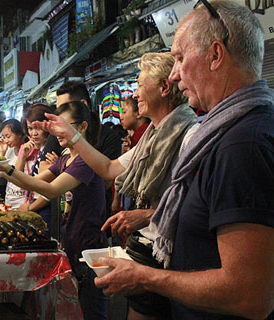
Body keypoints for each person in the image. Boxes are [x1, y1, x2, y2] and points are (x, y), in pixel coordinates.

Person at [95, 2, 274, 319]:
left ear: (215, 55)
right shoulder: (226, 133)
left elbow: (250, 295)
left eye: (179, 57)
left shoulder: (241, 146)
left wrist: (146, 277)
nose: (175, 74)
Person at [37, 52, 198, 320]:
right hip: (148, 250)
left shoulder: (190, 136)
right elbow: (109, 168)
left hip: (174, 257)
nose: (134, 94)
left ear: (164, 88)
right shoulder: (152, 137)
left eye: (139, 84)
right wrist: (72, 135)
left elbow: (196, 205)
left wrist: (148, 215)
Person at [0, 101, 109, 319]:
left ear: (82, 127)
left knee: (92, 312)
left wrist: (6, 169)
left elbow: (50, 189)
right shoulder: (66, 158)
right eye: (55, 126)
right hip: (72, 244)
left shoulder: (85, 160)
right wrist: (1, 166)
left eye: (63, 125)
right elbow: (32, 181)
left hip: (89, 249)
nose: (57, 132)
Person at [54, 81, 122, 217]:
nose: (58, 115)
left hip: (94, 219)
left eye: (64, 108)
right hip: (66, 216)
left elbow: (104, 181)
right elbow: (45, 169)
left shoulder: (110, 137)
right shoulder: (59, 135)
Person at [16, 104, 56, 233]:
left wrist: (29, 208)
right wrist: (22, 155)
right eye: (30, 128)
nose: (33, 133)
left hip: (44, 209)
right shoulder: (40, 149)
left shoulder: (51, 149)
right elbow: (17, 177)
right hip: (35, 205)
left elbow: (48, 190)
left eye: (37, 128)